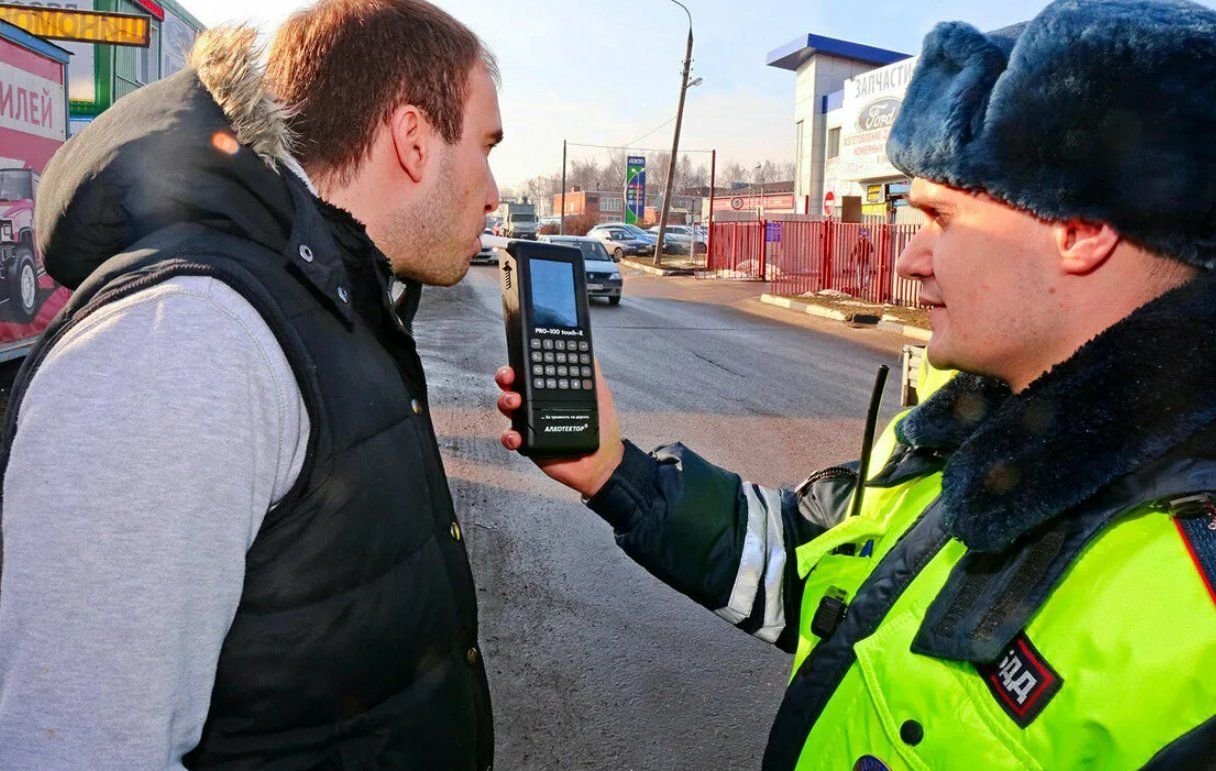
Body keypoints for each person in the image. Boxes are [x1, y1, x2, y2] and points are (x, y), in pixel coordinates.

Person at [496, 0, 1216, 767]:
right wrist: (615, 472)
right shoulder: (961, 436)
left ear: (1079, 228)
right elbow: (804, 571)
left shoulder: (1192, 604)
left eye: (942, 216)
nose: (909, 258)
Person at [0, 1, 501, 768]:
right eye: (485, 146)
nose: (494, 191)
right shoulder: (192, 334)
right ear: (411, 139)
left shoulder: (336, 302)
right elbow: (77, 744)